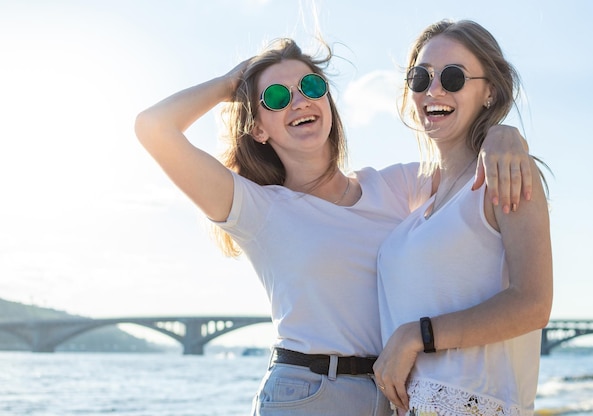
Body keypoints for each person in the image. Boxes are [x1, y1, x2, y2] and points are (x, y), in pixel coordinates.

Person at [134, 37, 532, 416]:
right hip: (308, 393)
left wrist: (501, 134)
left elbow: (463, 164)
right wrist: (230, 84)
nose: (299, 102)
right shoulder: (257, 208)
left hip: (394, 392)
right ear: (258, 128)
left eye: (310, 85)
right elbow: (153, 128)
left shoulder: (394, 185)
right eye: (276, 97)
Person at [373, 20, 553, 416]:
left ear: (489, 91)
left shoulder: (505, 173)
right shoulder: (421, 203)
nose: (433, 90)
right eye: (420, 78)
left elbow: (534, 303)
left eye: (453, 77)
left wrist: (416, 336)